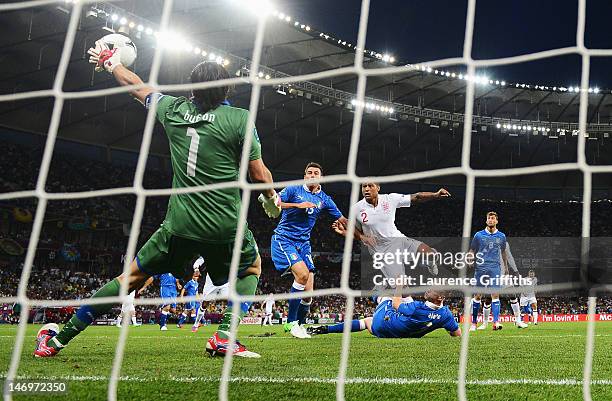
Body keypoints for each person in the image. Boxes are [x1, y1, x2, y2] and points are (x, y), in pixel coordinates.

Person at [34, 39, 280, 359]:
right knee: (251, 270)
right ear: (225, 91)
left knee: (131, 278)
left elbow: (137, 86)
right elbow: (259, 175)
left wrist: (112, 63)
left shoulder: (174, 110)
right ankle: (224, 336)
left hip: (179, 223)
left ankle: (56, 342)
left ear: (192, 89)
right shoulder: (240, 120)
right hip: (224, 223)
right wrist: (271, 198)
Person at [270, 162, 348, 338]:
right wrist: (298, 205)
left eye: (316, 173)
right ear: (305, 176)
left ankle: (300, 325)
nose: (313, 175)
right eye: (309, 173)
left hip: (304, 244)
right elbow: (276, 203)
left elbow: (343, 219)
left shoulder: (325, 199)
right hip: (285, 239)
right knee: (302, 275)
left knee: (309, 292)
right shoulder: (293, 189)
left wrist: (365, 230)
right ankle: (290, 323)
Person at [307, 290, 461, 338]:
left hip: (384, 325)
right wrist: (441, 323)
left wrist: (399, 285)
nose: (428, 290)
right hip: (401, 333)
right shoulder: (446, 314)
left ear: (440, 296)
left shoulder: (417, 307)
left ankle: (375, 293)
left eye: (432, 290)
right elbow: (456, 334)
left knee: (386, 299)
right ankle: (326, 330)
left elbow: (396, 303)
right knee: (367, 321)